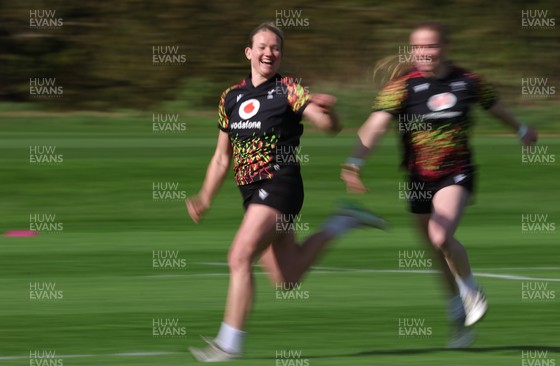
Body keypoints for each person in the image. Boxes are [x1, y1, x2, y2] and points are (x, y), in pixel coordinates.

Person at [186, 22, 386, 362]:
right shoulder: (231, 97)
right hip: (252, 194)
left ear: (280, 54)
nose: (269, 52)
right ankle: (342, 221)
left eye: (275, 47)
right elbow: (222, 157)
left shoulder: (288, 89)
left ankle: (228, 343)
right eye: (262, 46)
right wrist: (205, 196)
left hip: (280, 184)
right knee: (287, 278)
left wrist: (331, 111)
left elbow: (328, 127)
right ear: (249, 52)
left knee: (238, 256)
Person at [341, 21, 537, 348]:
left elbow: (495, 107)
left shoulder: (467, 81)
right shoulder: (401, 87)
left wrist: (520, 129)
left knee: (440, 234)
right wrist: (354, 163)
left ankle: (473, 293)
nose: (424, 52)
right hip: (418, 180)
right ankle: (458, 318)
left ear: (444, 47)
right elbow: (374, 126)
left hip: (456, 173)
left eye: (431, 46)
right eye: (418, 47)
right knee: (437, 251)